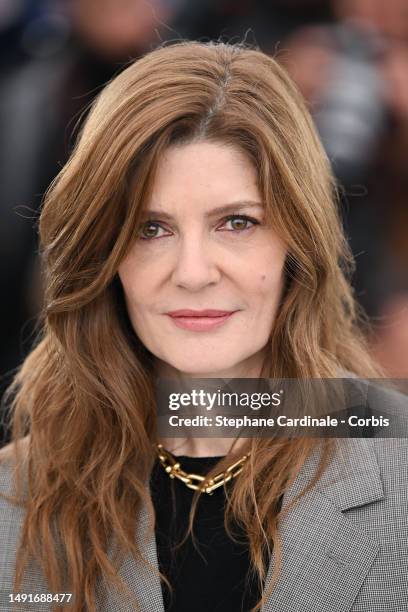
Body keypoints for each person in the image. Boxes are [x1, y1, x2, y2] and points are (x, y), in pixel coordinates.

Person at [0, 40, 407, 612]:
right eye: (151, 229)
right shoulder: (13, 500)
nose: (193, 273)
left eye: (237, 223)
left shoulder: (398, 466)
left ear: (297, 242)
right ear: (104, 256)